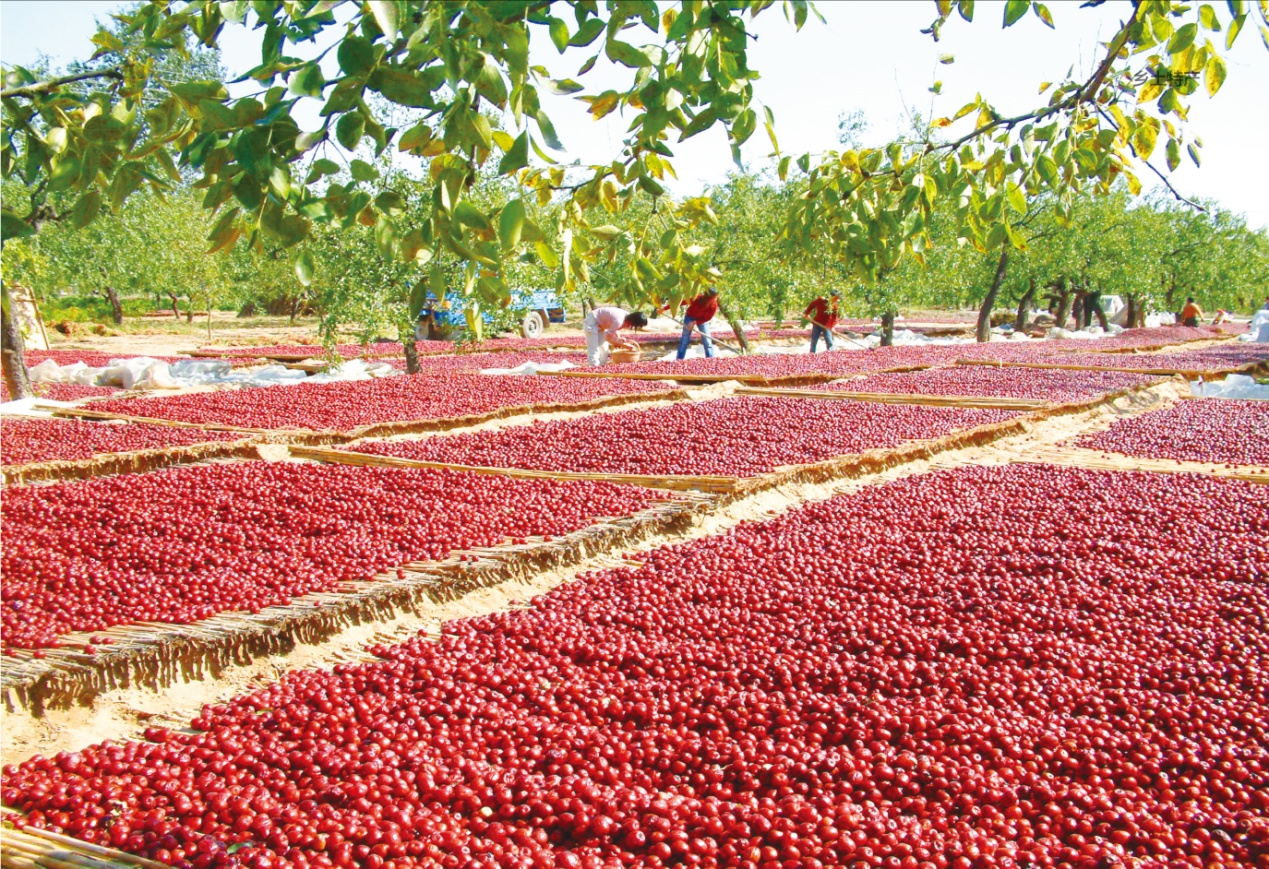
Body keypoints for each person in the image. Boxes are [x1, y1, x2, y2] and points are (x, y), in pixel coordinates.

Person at [583, 305, 647, 365]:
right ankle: (594, 368)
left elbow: (615, 329)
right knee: (594, 347)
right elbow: (607, 338)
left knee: (604, 349)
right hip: (592, 322)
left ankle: (601, 367)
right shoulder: (619, 320)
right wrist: (624, 345)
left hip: (602, 325)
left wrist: (618, 338)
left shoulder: (627, 316)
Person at [670, 289, 720, 360]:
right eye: (715, 297)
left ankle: (710, 360)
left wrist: (695, 322)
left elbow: (708, 317)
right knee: (685, 339)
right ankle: (679, 360)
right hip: (690, 317)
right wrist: (664, 309)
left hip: (702, 320)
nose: (716, 298)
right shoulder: (697, 298)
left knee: (707, 341)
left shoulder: (713, 305)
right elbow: (681, 302)